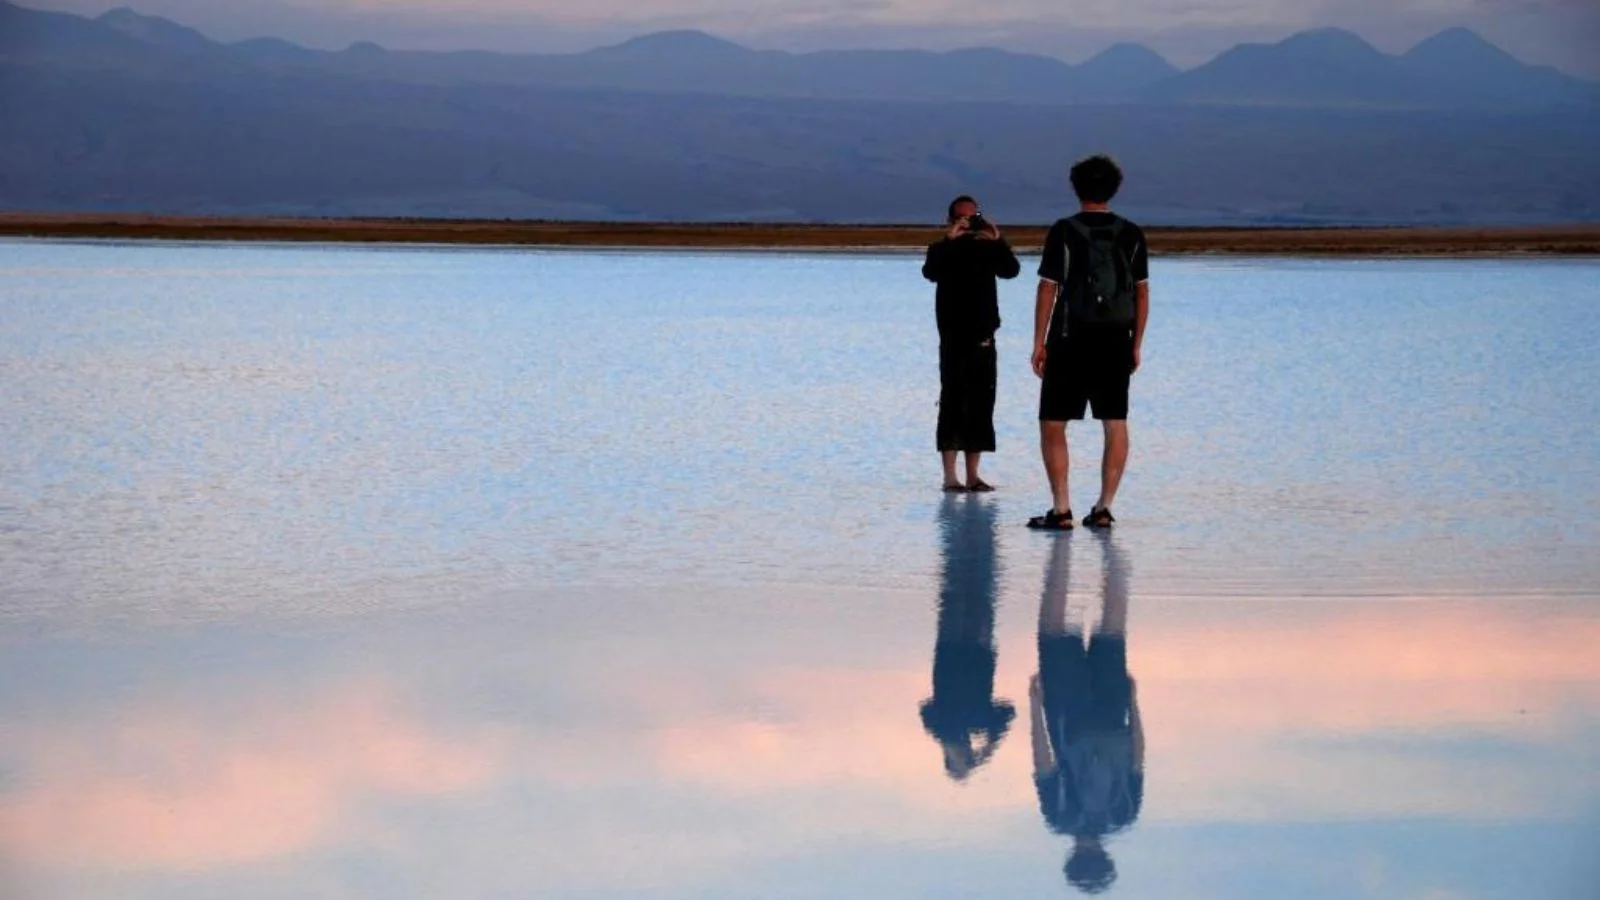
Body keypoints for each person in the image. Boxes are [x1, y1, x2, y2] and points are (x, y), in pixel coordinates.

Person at [1027, 156, 1149, 530]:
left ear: (1076, 187)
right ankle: (1104, 507)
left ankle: (1061, 508)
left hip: (1069, 338)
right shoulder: (1131, 232)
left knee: (1053, 423)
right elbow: (1142, 294)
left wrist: (1039, 342)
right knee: (1115, 422)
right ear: (1114, 188)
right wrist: (1136, 343)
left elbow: (1048, 287)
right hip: (1115, 338)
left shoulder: (1063, 230)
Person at [1031, 533, 1145, 894]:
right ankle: (1059, 555)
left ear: (1106, 858)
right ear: (1072, 859)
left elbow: (1137, 758)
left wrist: (1133, 702)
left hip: (1113, 714)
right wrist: (1035, 703)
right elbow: (1044, 763)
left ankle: (1114, 556)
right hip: (1069, 713)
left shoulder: (1124, 815)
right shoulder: (1060, 817)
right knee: (1051, 628)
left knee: (1112, 631)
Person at [923, 195, 1021, 492]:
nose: (968, 223)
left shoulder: (986, 248)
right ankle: (950, 477)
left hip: (983, 337)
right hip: (953, 338)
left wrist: (998, 241)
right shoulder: (941, 249)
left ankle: (973, 474)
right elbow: (930, 273)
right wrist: (948, 241)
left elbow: (1011, 271)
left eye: (973, 216)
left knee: (981, 403)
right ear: (951, 220)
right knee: (952, 401)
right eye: (962, 218)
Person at [920, 493, 1014, 780]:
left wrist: (985, 751)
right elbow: (1007, 713)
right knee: (968, 587)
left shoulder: (955, 726)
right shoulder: (961, 725)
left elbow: (1006, 715)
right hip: (968, 649)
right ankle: (970, 527)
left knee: (967, 587)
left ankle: (967, 527)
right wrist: (986, 751)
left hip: (964, 650)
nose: (963, 753)